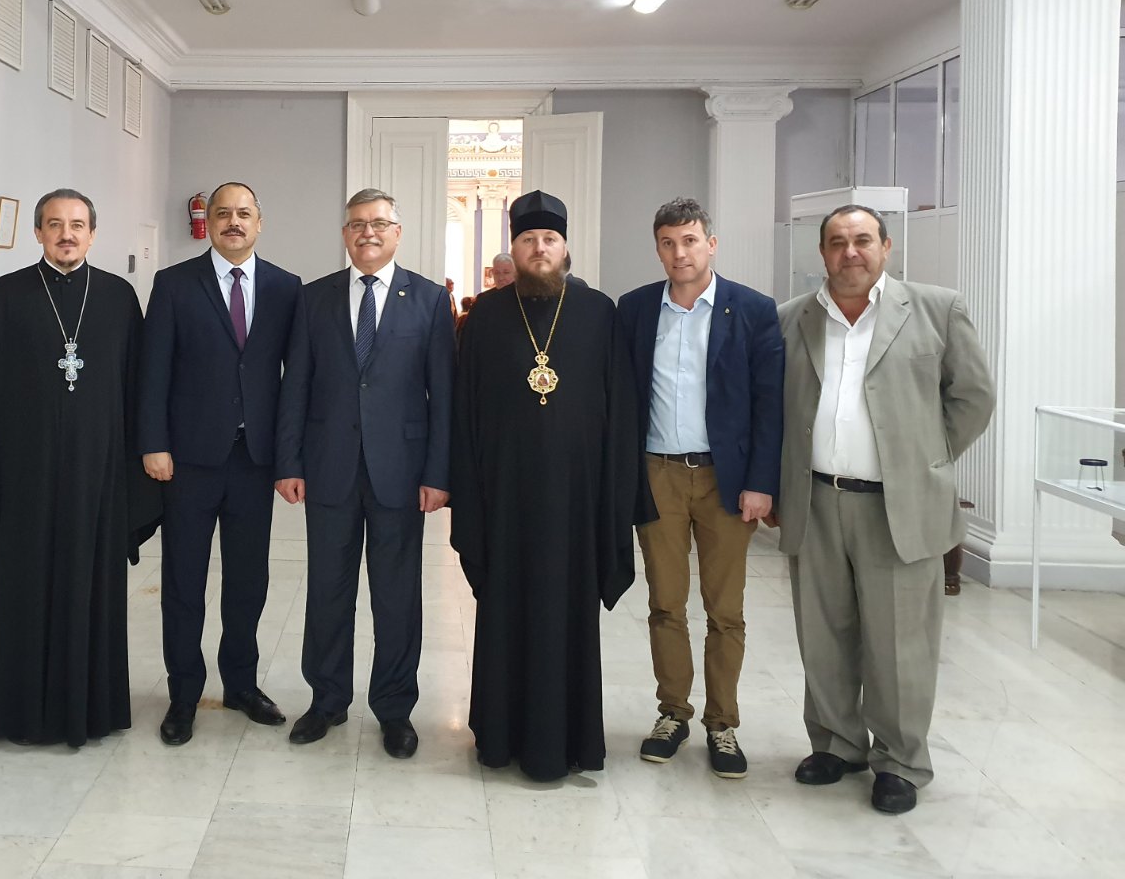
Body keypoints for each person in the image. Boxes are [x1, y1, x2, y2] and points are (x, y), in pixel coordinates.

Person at [778, 205, 993, 815]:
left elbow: (973, 397)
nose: (850, 252)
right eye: (837, 242)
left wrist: (926, 458)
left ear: (886, 247)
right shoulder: (792, 318)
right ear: (822, 252)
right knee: (823, 634)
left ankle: (899, 761)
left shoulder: (936, 309)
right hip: (817, 500)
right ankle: (836, 744)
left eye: (863, 240)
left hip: (897, 506)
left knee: (900, 644)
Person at [450, 189, 651, 781]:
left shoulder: (599, 313)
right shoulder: (486, 317)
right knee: (504, 611)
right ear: (513, 248)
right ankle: (500, 736)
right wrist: (468, 491)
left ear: (565, 248)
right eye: (528, 240)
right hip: (504, 499)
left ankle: (568, 740)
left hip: (575, 501)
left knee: (568, 617)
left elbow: (622, 411)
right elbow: (464, 413)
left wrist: (616, 496)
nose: (539, 249)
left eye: (550, 239)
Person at [0, 188, 162, 746]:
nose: (66, 234)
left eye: (77, 225)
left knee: (92, 590)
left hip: (98, 479)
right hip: (24, 480)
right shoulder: (4, 296)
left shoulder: (118, 297)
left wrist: (139, 466)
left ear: (93, 234)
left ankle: (92, 710)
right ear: (38, 233)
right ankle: (19, 714)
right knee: (24, 593)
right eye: (54, 224)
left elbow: (138, 387)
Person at [275, 188, 454, 758]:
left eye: (378, 223)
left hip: (401, 472)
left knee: (397, 596)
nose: (367, 232)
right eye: (356, 224)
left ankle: (395, 709)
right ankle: (327, 700)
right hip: (328, 467)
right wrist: (288, 461)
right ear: (345, 234)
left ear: (397, 232)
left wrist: (438, 472)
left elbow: (443, 395)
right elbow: (295, 385)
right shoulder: (314, 298)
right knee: (327, 591)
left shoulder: (429, 299)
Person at [616, 198, 783, 779]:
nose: (679, 252)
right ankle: (673, 713)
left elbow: (770, 405)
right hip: (657, 473)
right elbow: (622, 397)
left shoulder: (753, 310)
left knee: (724, 609)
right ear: (658, 248)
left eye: (689, 240)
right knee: (665, 603)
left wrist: (761, 483)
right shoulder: (636, 309)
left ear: (711, 244)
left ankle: (722, 722)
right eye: (668, 242)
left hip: (725, 480)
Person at [139, 181, 300, 745]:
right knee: (184, 580)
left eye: (244, 213)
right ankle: (184, 693)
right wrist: (153, 443)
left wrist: (289, 456)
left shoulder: (286, 287)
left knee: (248, 580)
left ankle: (241, 684)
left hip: (254, 460)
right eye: (223, 213)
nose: (234, 222)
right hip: (188, 460)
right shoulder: (174, 284)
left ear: (259, 222)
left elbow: (295, 380)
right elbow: (154, 369)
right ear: (207, 222)